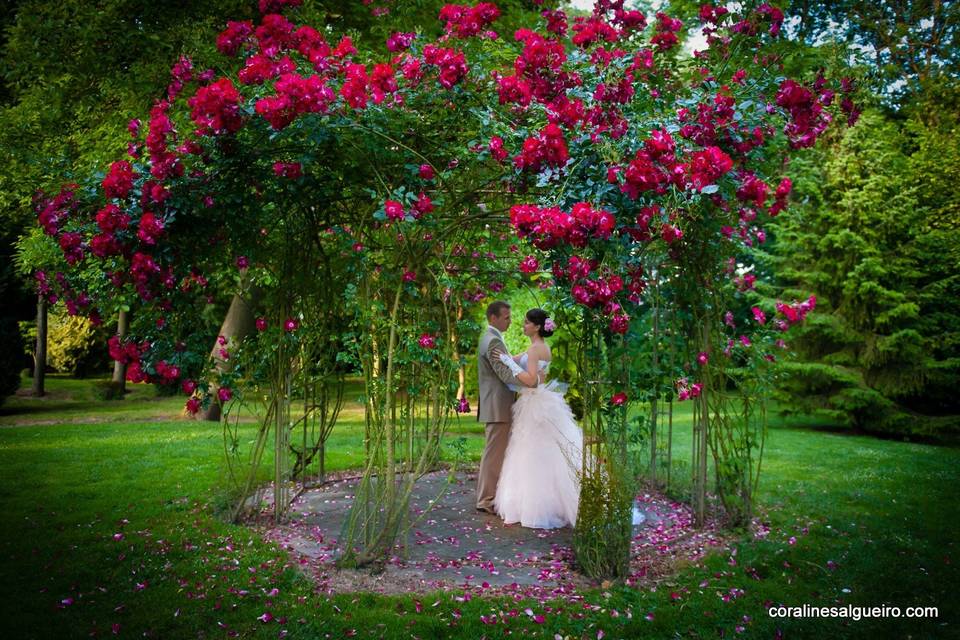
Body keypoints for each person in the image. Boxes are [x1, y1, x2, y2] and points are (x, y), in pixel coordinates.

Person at [492, 309, 583, 529]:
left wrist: (510, 364)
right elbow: (522, 361)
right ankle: (551, 502)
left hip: (534, 402)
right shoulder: (542, 347)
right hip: (542, 401)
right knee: (548, 451)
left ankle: (534, 507)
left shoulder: (534, 350)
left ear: (536, 326)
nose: (522, 325)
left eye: (526, 323)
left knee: (531, 452)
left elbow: (531, 380)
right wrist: (506, 357)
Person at [475, 300, 520, 513]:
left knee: (496, 452)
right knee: (494, 454)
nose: (510, 321)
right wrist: (532, 381)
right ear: (493, 318)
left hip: (497, 404)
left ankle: (490, 496)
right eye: (506, 317)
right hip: (497, 405)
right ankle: (485, 499)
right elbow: (505, 374)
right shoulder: (493, 341)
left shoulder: (491, 339)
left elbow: (506, 365)